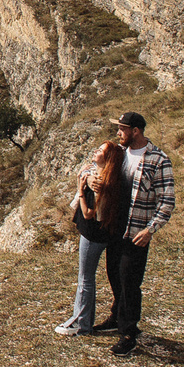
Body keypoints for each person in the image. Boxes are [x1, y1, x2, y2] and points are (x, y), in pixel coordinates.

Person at [101, 112, 174, 355]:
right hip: (115, 226)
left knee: (130, 281)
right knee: (113, 273)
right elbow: (95, 166)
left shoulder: (158, 160)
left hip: (136, 231)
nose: (118, 133)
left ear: (136, 130)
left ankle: (129, 332)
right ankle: (116, 317)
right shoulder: (119, 154)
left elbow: (166, 201)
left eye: (122, 128)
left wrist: (149, 230)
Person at [55, 140, 126, 336]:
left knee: (85, 279)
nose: (95, 152)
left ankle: (81, 324)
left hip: (93, 234)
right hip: (103, 233)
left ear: (109, 158)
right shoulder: (103, 175)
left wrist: (80, 190)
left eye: (100, 151)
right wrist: (84, 176)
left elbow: (88, 214)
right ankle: (83, 320)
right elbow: (86, 169)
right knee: (86, 278)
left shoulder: (100, 184)